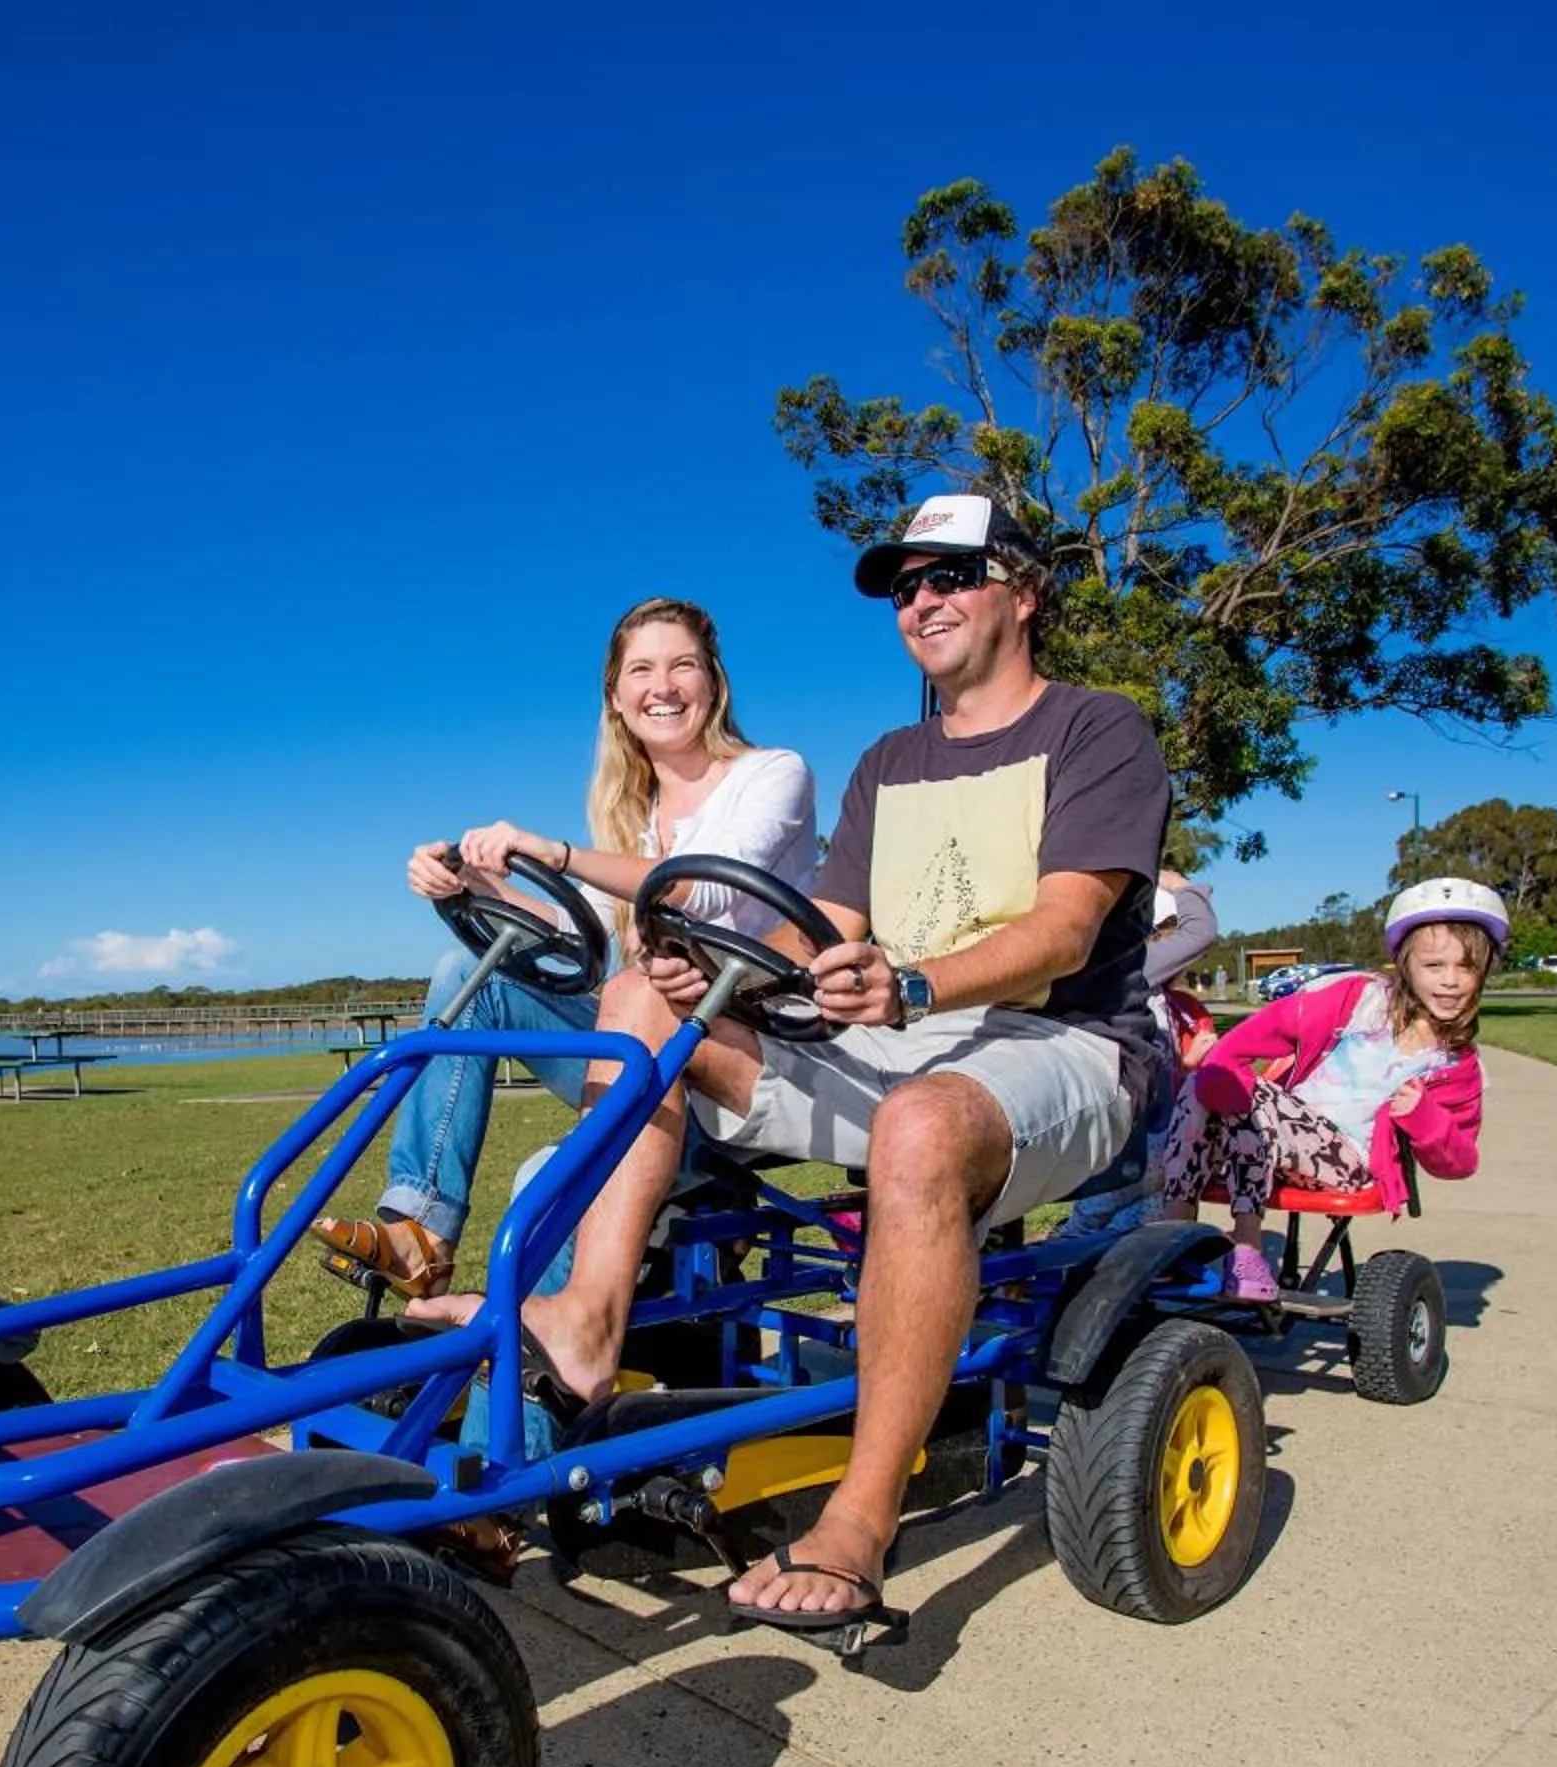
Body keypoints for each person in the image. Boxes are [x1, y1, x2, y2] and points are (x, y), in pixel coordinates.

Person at [413, 492, 1171, 1638]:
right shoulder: (891, 760)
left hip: (1056, 1044)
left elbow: (1067, 930)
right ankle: (588, 1321)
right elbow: (817, 917)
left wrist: (914, 983)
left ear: (1021, 589)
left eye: (950, 575)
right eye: (908, 585)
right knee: (632, 1002)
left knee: (920, 1122)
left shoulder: (1096, 728)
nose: (921, 600)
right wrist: (716, 975)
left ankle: (861, 1517)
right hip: (886, 1035)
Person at [309, 597, 815, 1299]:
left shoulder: (773, 775)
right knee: (470, 972)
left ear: (714, 682)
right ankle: (419, 1226)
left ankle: (534, 1379)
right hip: (647, 1049)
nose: (662, 687)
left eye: (682, 666)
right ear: (616, 695)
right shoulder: (631, 813)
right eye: (641, 670)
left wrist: (562, 852)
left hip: (735, 1068)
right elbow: (598, 944)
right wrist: (475, 887)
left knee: (545, 1183)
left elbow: (693, 891)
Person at [1157, 878, 1503, 1300]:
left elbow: (1460, 1161)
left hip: (1347, 1163)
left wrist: (1423, 1115)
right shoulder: (1359, 1001)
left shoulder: (1454, 1064)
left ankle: (1246, 1250)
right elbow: (1266, 1029)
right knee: (1205, 1081)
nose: (1450, 981)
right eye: (1434, 966)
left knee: (1257, 1098)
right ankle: (1172, 1234)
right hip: (1272, 1144)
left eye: (1465, 967)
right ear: (1406, 965)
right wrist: (1221, 1068)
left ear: (1482, 972)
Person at [1060, 866, 1218, 1235]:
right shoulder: (1135, 965)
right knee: (1166, 1192)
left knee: (1154, 1205)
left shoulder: (1141, 985)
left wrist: (1187, 1062)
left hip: (1136, 1128)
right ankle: (1077, 1246)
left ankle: (1088, 1251)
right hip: (1137, 1135)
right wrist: (1181, 886)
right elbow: (1201, 931)